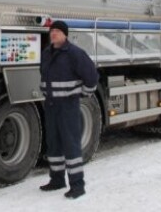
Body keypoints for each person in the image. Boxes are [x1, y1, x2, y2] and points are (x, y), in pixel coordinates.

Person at [39, 20, 98, 199]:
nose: (53, 34)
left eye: (57, 31)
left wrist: (82, 94)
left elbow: (91, 76)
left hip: (68, 106)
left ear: (65, 34)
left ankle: (77, 185)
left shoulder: (74, 53)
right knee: (53, 143)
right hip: (51, 105)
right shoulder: (47, 53)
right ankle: (57, 180)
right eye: (52, 31)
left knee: (71, 145)